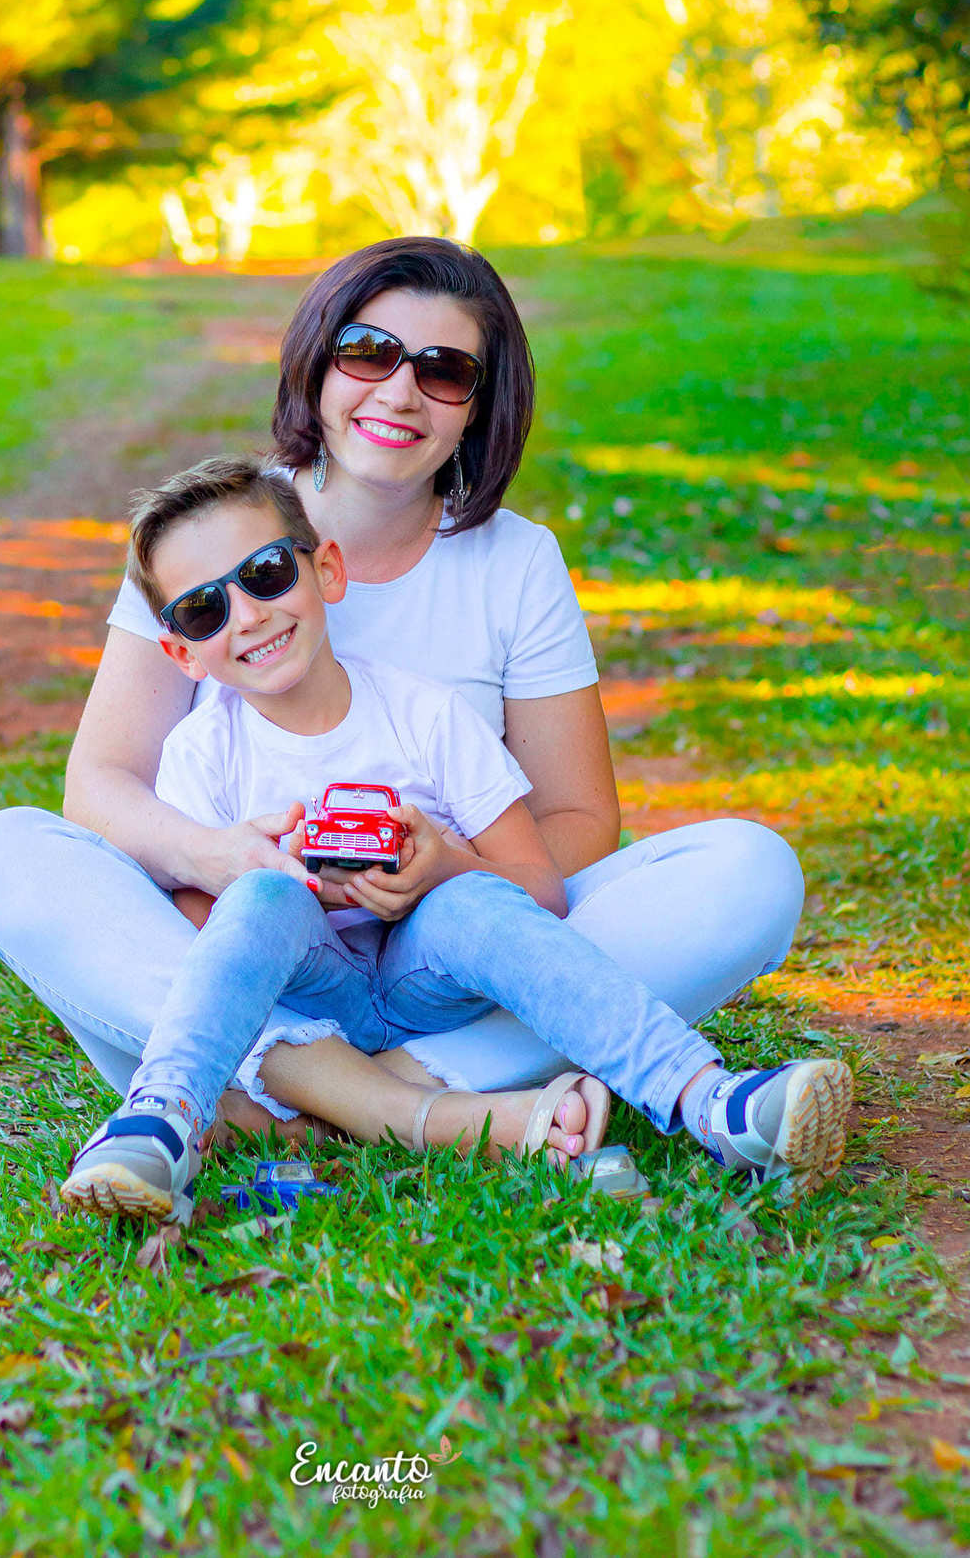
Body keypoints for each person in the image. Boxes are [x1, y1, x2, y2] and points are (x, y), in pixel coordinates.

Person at [0, 236, 810, 1170]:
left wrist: (440, 877)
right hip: (267, 949)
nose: (399, 392)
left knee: (752, 871)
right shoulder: (216, 539)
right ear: (321, 363)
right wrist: (227, 857)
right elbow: (103, 786)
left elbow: (577, 821)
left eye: (445, 372)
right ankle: (399, 1105)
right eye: (369, 353)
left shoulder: (514, 562)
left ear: (481, 407)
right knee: (9, 852)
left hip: (452, 958)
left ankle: (304, 1094)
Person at [59, 457, 852, 1225]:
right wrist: (275, 874)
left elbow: (539, 891)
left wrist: (439, 864)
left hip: (428, 985)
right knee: (259, 894)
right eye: (204, 610)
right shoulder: (202, 753)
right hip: (305, 1004)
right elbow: (200, 929)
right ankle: (161, 1117)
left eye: (266, 573)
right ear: (178, 649)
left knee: (473, 896)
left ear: (326, 570)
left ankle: (709, 1098)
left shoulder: (426, 715)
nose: (248, 616)